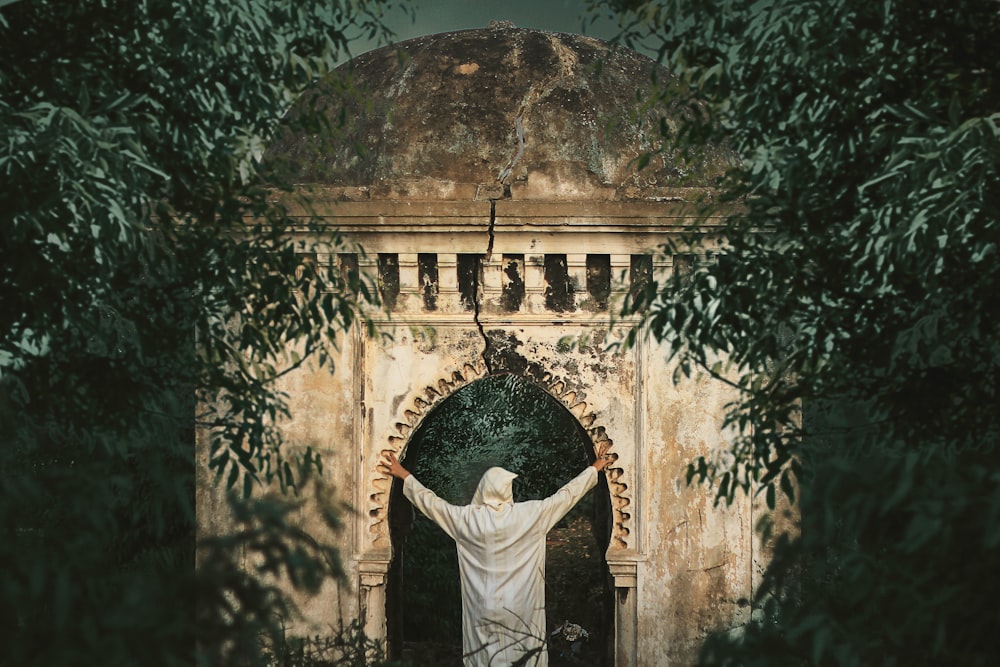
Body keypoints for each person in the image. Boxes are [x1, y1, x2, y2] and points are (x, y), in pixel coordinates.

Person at [379, 448, 612, 667]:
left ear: (483, 489)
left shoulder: (468, 520)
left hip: (483, 610)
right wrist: (596, 467)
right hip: (521, 610)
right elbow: (566, 496)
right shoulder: (530, 515)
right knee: (522, 654)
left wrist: (403, 474)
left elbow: (432, 504)